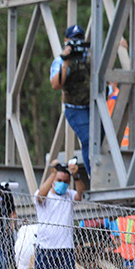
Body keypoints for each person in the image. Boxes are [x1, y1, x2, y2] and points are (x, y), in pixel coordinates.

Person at [33, 160, 86, 269]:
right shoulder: (44, 195)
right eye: (59, 180)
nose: (62, 184)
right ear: (53, 180)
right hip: (45, 246)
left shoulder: (69, 195)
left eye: (65, 182)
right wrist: (53, 172)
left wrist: (76, 176)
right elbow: (40, 196)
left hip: (66, 247)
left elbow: (80, 194)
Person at [50, 25, 92, 177]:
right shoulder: (60, 60)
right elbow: (56, 84)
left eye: (79, 40)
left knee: (101, 142)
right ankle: (93, 175)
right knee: (88, 139)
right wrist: (65, 61)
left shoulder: (90, 56)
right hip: (75, 108)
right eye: (73, 40)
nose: (76, 43)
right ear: (66, 41)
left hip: (93, 106)